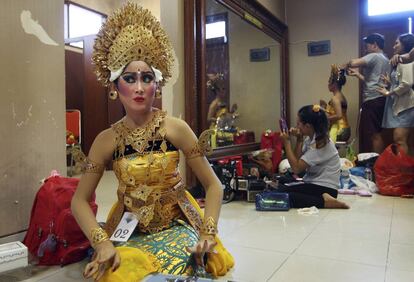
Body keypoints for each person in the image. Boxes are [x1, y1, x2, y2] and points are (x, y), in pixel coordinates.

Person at [70, 3, 234, 281]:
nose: (139, 88)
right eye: (129, 78)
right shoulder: (105, 141)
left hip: (176, 223)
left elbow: (213, 185)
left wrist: (208, 233)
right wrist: (102, 242)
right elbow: (79, 200)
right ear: (114, 86)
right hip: (128, 226)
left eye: (147, 78)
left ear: (157, 84)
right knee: (120, 272)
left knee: (179, 267)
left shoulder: (176, 129)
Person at [278, 105, 349, 209]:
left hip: (325, 188)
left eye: (299, 124)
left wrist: (287, 143)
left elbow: (296, 169)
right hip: (315, 185)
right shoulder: (310, 139)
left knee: (285, 196)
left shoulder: (320, 144)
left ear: (308, 126)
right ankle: (323, 199)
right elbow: (297, 161)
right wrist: (299, 140)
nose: (297, 127)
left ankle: (325, 202)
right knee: (282, 187)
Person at [344, 33, 391, 153]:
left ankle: (376, 165)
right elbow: (373, 80)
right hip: (381, 99)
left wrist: (347, 64)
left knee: (374, 134)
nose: (365, 49)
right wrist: (358, 75)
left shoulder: (374, 56)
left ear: (374, 45)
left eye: (367, 46)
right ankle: (379, 164)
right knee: (379, 132)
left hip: (372, 100)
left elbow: (354, 63)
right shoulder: (385, 59)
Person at [376, 33, 414, 156]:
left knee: (400, 139)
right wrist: (390, 82)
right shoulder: (399, 60)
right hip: (399, 106)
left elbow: (407, 84)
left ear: (405, 44)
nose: (394, 46)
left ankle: (402, 172)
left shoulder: (405, 60)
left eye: (397, 43)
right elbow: (400, 82)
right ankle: (403, 170)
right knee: (401, 140)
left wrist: (389, 92)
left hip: (405, 107)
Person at [324, 64, 351, 143]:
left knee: (320, 137)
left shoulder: (335, 98)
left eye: (329, 82)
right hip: (345, 129)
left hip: (341, 130)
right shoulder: (341, 96)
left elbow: (339, 115)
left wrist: (324, 118)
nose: (328, 84)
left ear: (334, 84)